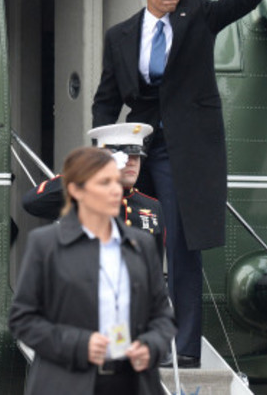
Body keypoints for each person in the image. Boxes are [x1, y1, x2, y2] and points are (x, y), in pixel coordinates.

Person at [91, 0, 267, 367]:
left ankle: (186, 350)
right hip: (135, 149)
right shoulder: (120, 36)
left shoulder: (196, 13)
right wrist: (100, 150)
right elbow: (107, 95)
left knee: (181, 246)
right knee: (129, 244)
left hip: (182, 151)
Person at [9, 146, 176, 395]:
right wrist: (79, 344)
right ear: (77, 191)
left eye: (115, 182)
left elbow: (162, 316)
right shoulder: (46, 245)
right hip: (66, 382)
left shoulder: (139, 244)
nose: (114, 190)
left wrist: (150, 345)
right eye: (103, 182)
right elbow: (22, 320)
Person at [22, 123, 165, 262]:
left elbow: (155, 263)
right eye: (127, 156)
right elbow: (32, 202)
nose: (132, 162)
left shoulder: (152, 206)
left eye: (137, 156)